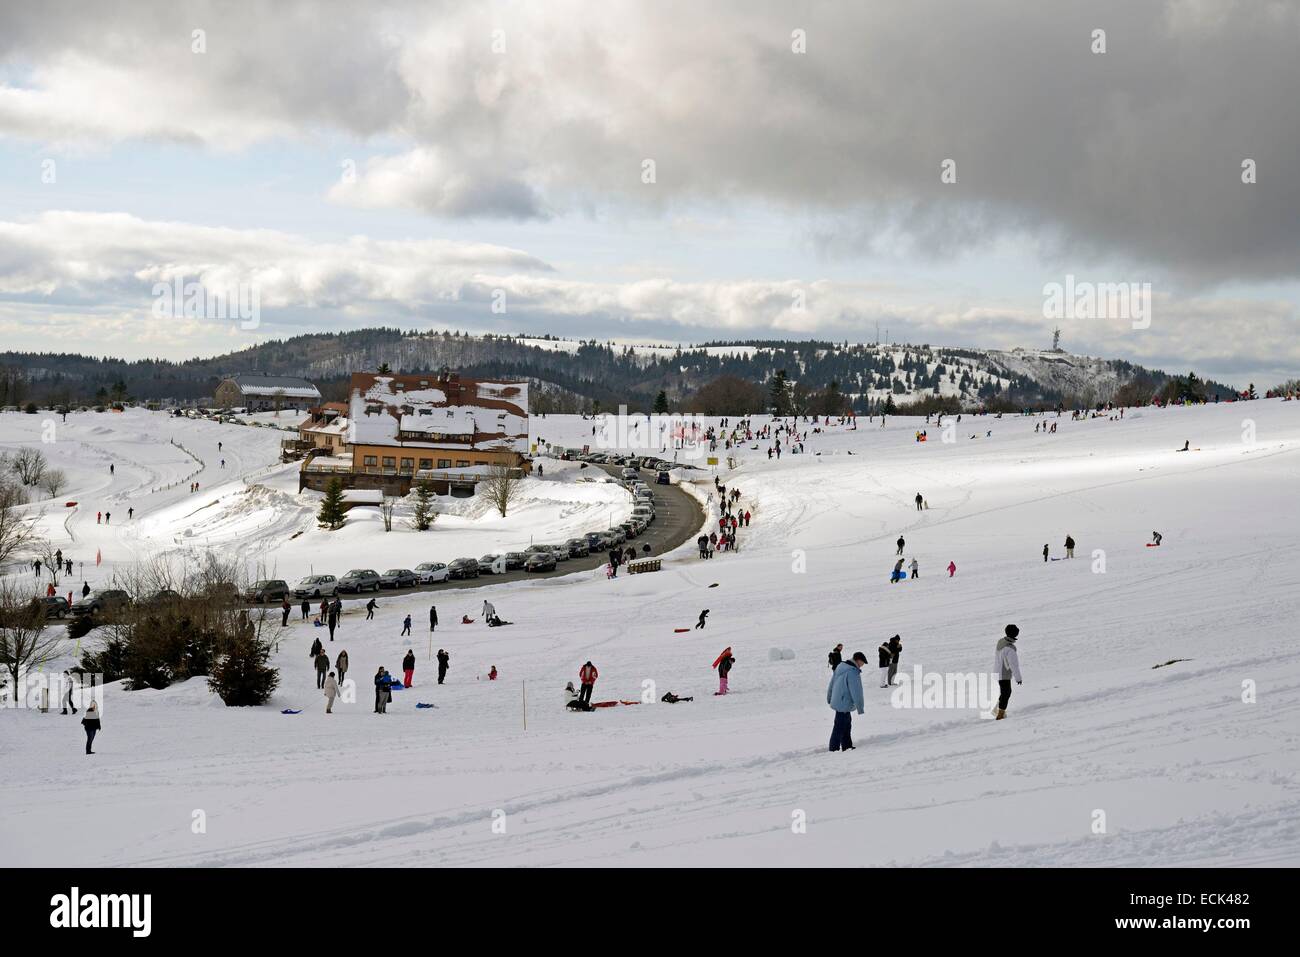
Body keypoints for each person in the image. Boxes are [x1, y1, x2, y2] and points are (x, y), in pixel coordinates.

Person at [827, 651, 867, 751]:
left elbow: (832, 683)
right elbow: (856, 691)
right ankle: (833, 749)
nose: (862, 665)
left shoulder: (841, 666)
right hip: (844, 703)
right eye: (862, 663)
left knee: (846, 725)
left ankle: (847, 745)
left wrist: (829, 697)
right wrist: (860, 707)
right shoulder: (853, 672)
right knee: (839, 727)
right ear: (858, 660)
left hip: (839, 701)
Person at [993, 624, 1022, 720]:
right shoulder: (1010, 649)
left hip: (997, 672)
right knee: (1006, 693)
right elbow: (1014, 665)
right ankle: (1000, 715)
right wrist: (1018, 678)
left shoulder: (1001, 642)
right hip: (1004, 674)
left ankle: (996, 710)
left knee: (1004, 692)